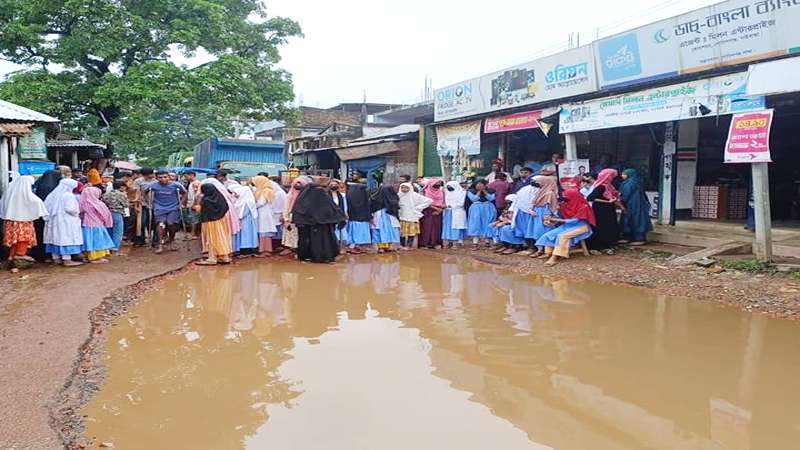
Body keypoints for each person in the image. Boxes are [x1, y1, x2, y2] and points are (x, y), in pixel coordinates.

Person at [535, 189, 595, 267]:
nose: (565, 200)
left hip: (581, 227)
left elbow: (575, 221)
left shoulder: (584, 206)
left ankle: (555, 257)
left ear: (574, 197)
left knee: (562, 236)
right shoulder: (565, 205)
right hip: (567, 226)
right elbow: (560, 218)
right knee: (549, 234)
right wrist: (551, 220)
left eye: (567, 198)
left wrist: (557, 220)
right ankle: (548, 253)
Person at [292, 183, 347, 263]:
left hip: (313, 226)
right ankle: (323, 256)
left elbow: (298, 214)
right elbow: (335, 212)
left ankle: (309, 256)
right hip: (320, 226)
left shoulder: (303, 201)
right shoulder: (324, 197)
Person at [1, 175, 49, 265]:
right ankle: (20, 254)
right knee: (23, 238)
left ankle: (11, 257)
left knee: (14, 240)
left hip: (11, 220)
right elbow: (37, 202)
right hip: (23, 221)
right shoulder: (26, 193)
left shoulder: (9, 192)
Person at [43, 179, 83, 266]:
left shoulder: (52, 195)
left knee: (55, 238)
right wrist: (77, 213)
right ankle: (67, 259)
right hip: (66, 220)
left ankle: (56, 258)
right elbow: (70, 209)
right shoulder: (68, 195)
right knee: (66, 238)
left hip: (54, 220)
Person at [145, 170, 186, 253]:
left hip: (173, 208)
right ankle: (160, 244)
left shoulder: (176, 185)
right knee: (161, 224)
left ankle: (171, 239)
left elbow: (185, 193)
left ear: (168, 177)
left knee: (171, 223)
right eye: (160, 177)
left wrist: (181, 203)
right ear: (156, 178)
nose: (163, 179)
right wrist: (148, 202)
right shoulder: (153, 185)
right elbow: (144, 191)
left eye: (165, 177)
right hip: (159, 208)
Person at [196, 183, 233, 265]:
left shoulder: (206, 200)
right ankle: (224, 257)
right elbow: (226, 207)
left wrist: (198, 202)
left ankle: (212, 258)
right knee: (221, 238)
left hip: (210, 223)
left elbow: (200, 211)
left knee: (211, 239)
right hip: (221, 221)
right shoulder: (220, 197)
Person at [30, 169, 63, 261]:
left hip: (38, 215)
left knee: (40, 234)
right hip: (49, 215)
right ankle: (48, 255)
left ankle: (40, 255)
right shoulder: (53, 188)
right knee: (48, 235)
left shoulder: (40, 185)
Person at [586, 168, 621, 251]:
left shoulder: (609, 186)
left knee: (608, 226)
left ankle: (607, 243)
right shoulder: (601, 186)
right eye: (612, 176)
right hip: (601, 210)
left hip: (607, 209)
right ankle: (600, 245)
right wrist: (607, 201)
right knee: (602, 226)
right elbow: (590, 198)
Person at [79, 186, 116, 264]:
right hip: (97, 225)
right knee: (97, 241)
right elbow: (106, 215)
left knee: (88, 241)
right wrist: (108, 223)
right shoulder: (98, 204)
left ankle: (87, 256)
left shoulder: (82, 204)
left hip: (86, 225)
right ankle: (96, 258)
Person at [527, 175, 560, 257]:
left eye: (540, 183)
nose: (539, 185)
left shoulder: (549, 193)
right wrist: (531, 210)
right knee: (537, 232)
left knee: (544, 231)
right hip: (536, 214)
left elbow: (550, 206)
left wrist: (547, 217)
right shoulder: (540, 191)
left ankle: (547, 251)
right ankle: (540, 249)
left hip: (544, 214)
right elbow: (533, 203)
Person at [618, 168, 653, 245]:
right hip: (638, 204)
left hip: (632, 204)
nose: (622, 175)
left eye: (624, 174)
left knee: (633, 219)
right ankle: (635, 238)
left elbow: (626, 195)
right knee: (637, 219)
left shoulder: (629, 183)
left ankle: (638, 239)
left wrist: (620, 202)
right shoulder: (638, 181)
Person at [398, 182, 433, 250]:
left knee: (411, 232)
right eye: (402, 187)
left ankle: (409, 246)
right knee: (402, 232)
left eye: (406, 187)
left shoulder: (414, 195)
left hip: (412, 216)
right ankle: (402, 245)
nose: (404, 189)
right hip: (402, 216)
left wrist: (418, 208)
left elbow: (428, 201)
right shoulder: (399, 195)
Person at [281, 176, 311, 255]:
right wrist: (286, 219)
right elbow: (286, 207)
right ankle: (290, 248)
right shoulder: (289, 195)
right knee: (290, 233)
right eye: (296, 183)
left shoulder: (307, 196)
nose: (297, 184)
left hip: (303, 219)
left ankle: (300, 249)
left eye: (300, 183)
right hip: (291, 217)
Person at [228, 183, 259, 257]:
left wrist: (236, 217)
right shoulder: (242, 200)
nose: (235, 195)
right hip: (244, 222)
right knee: (244, 236)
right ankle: (243, 250)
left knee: (246, 236)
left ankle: (246, 252)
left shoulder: (247, 202)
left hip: (247, 222)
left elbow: (244, 213)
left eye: (237, 193)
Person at [511, 178, 538, 255]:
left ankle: (532, 248)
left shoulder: (524, 188)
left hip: (524, 211)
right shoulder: (534, 189)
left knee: (528, 230)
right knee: (529, 230)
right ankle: (531, 248)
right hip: (529, 212)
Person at [251, 175, 278, 256]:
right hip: (264, 214)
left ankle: (265, 251)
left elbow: (261, 202)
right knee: (263, 232)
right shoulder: (265, 190)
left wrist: (252, 206)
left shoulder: (266, 191)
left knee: (264, 232)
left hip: (265, 214)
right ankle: (264, 250)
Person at [370, 185, 401, 252]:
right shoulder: (394, 199)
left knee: (379, 232)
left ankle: (381, 247)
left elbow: (371, 209)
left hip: (378, 217)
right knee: (391, 232)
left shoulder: (374, 198)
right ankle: (391, 246)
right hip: (390, 217)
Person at [466, 180, 497, 248]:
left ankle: (488, 241)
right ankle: (475, 242)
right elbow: (474, 199)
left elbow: (491, 198)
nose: (479, 185)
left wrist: (484, 191)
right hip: (476, 208)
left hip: (488, 207)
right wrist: (479, 191)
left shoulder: (491, 190)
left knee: (488, 223)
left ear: (485, 185)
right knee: (476, 224)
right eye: (478, 184)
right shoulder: (470, 191)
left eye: (482, 184)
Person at [101, 180, 129, 255]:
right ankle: (115, 248)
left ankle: (107, 246)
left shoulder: (106, 194)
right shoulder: (121, 194)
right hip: (117, 212)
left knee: (109, 230)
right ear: (122, 187)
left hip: (107, 212)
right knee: (118, 231)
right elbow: (126, 204)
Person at [345, 181, 373, 253]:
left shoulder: (350, 197)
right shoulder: (362, 198)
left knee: (357, 232)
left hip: (356, 218)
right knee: (358, 233)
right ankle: (355, 246)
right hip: (359, 219)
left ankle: (358, 246)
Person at [418, 179, 445, 249]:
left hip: (438, 212)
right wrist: (436, 208)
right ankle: (424, 244)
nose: (438, 184)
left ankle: (435, 243)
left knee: (437, 228)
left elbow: (444, 202)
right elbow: (424, 202)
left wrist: (440, 209)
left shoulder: (441, 192)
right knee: (426, 228)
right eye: (437, 183)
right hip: (427, 212)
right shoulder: (424, 192)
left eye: (439, 183)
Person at [132, 168, 156, 247]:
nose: (149, 176)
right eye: (147, 175)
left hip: (154, 204)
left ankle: (155, 240)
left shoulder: (156, 181)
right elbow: (136, 193)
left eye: (150, 174)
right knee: (141, 223)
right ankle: (140, 239)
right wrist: (136, 205)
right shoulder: (138, 181)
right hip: (142, 204)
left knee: (153, 222)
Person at [441, 180, 467, 248]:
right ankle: (450, 242)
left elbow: (461, 203)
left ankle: (455, 242)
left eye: (450, 186)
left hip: (457, 212)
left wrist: (450, 205)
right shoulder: (448, 193)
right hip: (448, 212)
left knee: (456, 227)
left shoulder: (462, 193)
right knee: (448, 227)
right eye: (448, 186)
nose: (449, 188)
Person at [327, 179, 349, 252]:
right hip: (330, 216)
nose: (334, 186)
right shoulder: (326, 195)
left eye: (335, 184)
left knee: (341, 232)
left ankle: (340, 248)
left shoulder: (342, 196)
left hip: (340, 215)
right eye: (332, 184)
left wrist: (345, 214)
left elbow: (345, 206)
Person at [182, 171, 202, 239]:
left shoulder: (195, 183)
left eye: (186, 176)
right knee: (194, 219)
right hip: (192, 203)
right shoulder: (191, 183)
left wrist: (195, 204)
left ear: (191, 175)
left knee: (194, 219)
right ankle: (196, 234)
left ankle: (193, 234)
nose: (185, 178)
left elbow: (197, 195)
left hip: (194, 204)